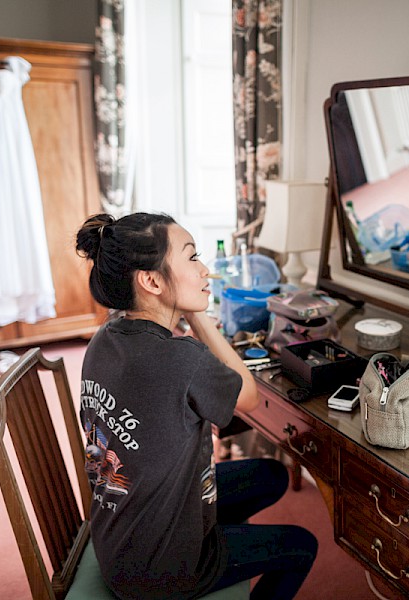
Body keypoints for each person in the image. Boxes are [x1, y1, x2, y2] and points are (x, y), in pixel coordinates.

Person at [75, 212, 318, 600]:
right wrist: (199, 313)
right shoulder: (182, 359)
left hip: (119, 540)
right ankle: (209, 563)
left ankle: (214, 539)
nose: (205, 270)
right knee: (302, 545)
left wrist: (184, 304)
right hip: (160, 571)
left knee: (270, 477)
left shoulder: (105, 338)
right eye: (191, 258)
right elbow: (250, 398)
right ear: (152, 280)